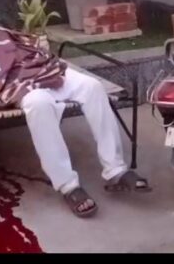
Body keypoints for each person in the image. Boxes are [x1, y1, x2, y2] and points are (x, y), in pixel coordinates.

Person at [20, 66, 151, 218]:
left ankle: (115, 169)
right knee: (39, 104)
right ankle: (68, 186)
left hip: (40, 70)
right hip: (13, 82)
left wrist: (43, 68)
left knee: (92, 86)